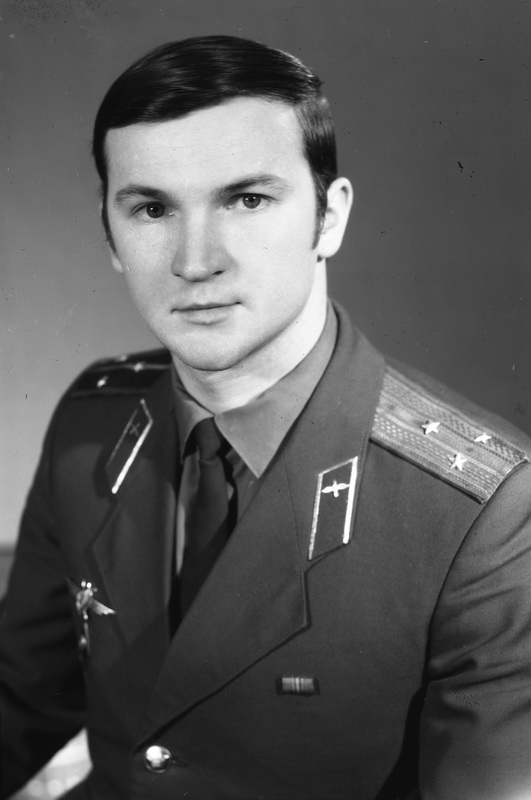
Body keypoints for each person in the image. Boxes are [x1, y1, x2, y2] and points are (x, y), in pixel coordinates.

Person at [1, 35, 531, 800]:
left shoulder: (483, 512)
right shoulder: (94, 421)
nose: (194, 261)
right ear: (109, 236)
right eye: (151, 208)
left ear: (328, 217)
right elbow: (19, 696)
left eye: (246, 200)